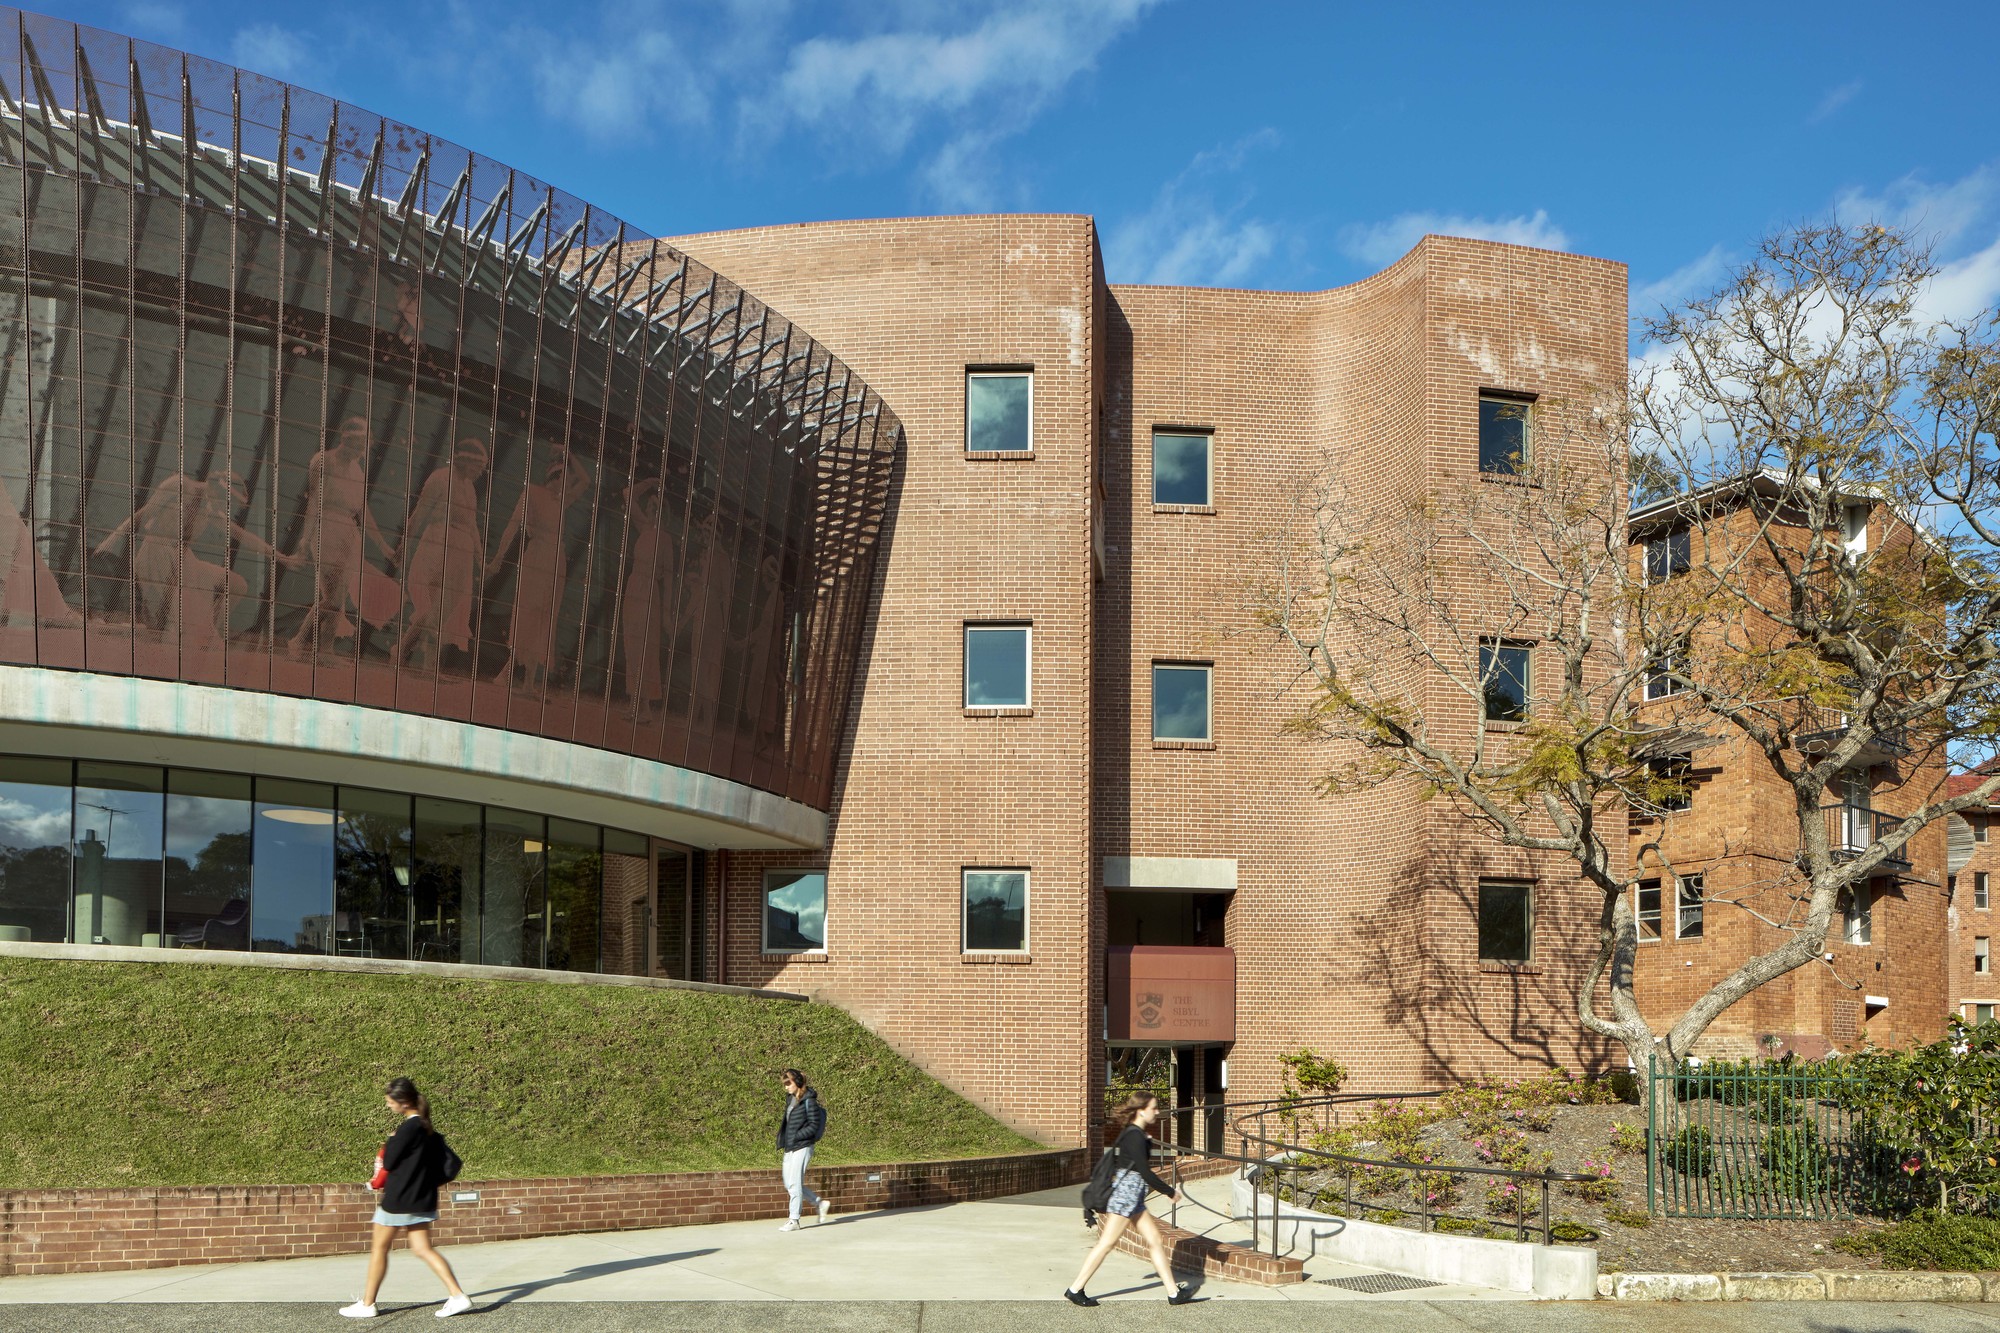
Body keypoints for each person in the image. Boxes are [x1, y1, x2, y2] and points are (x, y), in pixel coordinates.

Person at [340, 1077, 473, 1320]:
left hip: (398, 1200)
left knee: (379, 1249)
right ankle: (457, 1296)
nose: (389, 1105)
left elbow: (389, 1162)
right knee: (423, 1249)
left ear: (403, 1103)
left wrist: (392, 1139)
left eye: (390, 1102)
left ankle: (368, 1304)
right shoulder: (426, 1128)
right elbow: (452, 1163)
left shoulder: (408, 1129)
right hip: (421, 1199)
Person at [1064, 1092, 1194, 1306]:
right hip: (1126, 1197)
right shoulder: (1134, 1135)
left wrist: (1147, 1144)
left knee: (1155, 1240)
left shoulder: (1137, 1135)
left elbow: (1138, 1164)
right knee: (1106, 1243)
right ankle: (1075, 1288)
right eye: (1154, 1108)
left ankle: (1173, 1293)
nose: (1157, 1112)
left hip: (1134, 1198)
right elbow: (1145, 1171)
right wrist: (1169, 1191)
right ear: (1141, 1110)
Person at [288, 416, 392, 660]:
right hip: (326, 528)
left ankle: (325, 650)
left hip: (348, 533)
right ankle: (299, 640)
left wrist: (382, 545)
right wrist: (305, 539)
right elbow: (313, 501)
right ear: (346, 439)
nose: (361, 449)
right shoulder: (323, 460)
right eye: (358, 443)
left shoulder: (358, 471)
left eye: (364, 444)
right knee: (333, 597)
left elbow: (362, 511)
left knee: (339, 595)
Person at [493, 451, 589, 690]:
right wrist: (498, 558)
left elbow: (586, 480)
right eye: (565, 479)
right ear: (555, 477)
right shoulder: (533, 494)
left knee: (546, 617)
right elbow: (512, 526)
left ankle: (528, 684)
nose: (567, 485)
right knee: (529, 613)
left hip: (556, 561)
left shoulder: (562, 501)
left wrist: (570, 455)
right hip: (536, 558)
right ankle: (506, 673)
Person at [395, 438, 488, 669]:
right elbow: (419, 513)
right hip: (437, 544)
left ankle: (429, 666)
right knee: (428, 611)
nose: (479, 473)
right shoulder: (440, 479)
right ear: (464, 461)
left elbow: (472, 524)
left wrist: (479, 556)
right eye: (477, 467)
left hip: (462, 553)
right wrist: (403, 544)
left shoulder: (470, 488)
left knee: (442, 616)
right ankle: (401, 650)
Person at [775, 1067, 830, 1231]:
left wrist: (797, 1136)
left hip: (803, 1146)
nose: (786, 1087)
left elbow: (813, 1125)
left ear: (797, 1082)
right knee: (789, 1184)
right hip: (790, 1146)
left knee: (794, 1184)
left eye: (788, 1083)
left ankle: (794, 1220)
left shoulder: (809, 1101)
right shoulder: (790, 1099)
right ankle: (818, 1202)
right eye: (784, 1084)